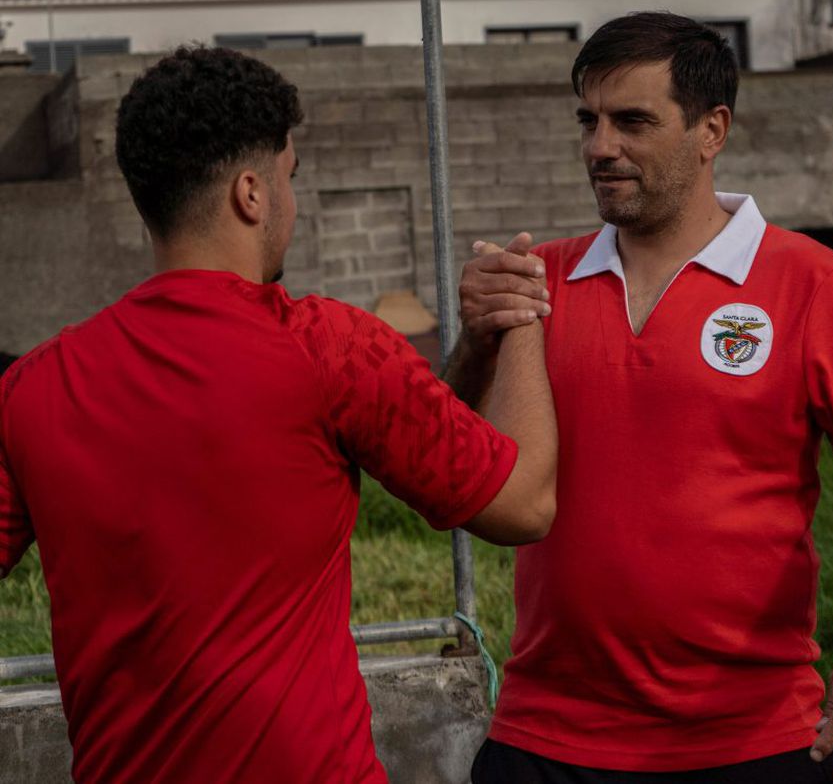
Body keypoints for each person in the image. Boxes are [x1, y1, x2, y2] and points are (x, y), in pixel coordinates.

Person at [0, 45, 558, 783]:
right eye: (292, 180)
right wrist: (520, 316)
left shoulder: (34, 387)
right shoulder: (328, 348)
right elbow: (524, 505)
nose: (291, 205)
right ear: (252, 194)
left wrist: (476, 348)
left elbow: (425, 442)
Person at [450, 13, 833, 784]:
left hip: (756, 739)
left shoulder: (812, 283)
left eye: (632, 120)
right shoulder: (541, 281)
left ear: (712, 130)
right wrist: (477, 338)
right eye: (589, 120)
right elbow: (458, 463)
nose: (599, 147)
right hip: (548, 736)